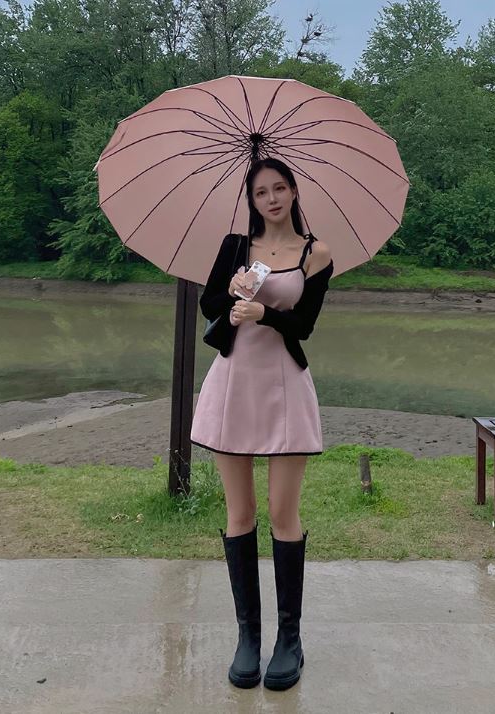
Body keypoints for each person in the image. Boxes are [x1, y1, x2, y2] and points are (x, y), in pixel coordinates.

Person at [190, 157, 333, 691]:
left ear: (294, 192)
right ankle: (248, 638)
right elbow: (208, 304)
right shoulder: (234, 247)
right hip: (233, 384)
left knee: (281, 512)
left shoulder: (316, 254)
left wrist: (265, 313)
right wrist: (234, 296)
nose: (271, 199)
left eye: (279, 189)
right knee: (240, 512)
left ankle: (288, 640)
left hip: (285, 388)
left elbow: (305, 325)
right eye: (260, 192)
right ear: (251, 200)